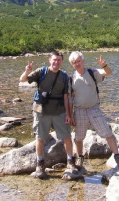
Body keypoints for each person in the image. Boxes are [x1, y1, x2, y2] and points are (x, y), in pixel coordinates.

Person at [19, 51, 77, 179]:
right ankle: (40, 164)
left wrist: (69, 114)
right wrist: (27, 71)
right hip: (41, 111)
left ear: (62, 62)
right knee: (40, 138)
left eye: (59, 60)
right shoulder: (41, 71)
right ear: (50, 60)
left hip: (59, 112)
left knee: (66, 137)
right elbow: (22, 80)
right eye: (54, 59)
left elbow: (67, 96)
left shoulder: (64, 76)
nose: (56, 62)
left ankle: (71, 162)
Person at [68, 51, 119, 169]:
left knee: (107, 133)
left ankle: (117, 156)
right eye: (74, 62)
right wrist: (70, 114)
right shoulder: (71, 78)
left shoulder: (92, 73)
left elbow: (108, 72)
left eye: (78, 61)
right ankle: (80, 157)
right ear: (72, 64)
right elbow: (69, 99)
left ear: (82, 61)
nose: (77, 64)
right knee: (79, 137)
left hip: (94, 109)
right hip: (79, 111)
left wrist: (104, 65)